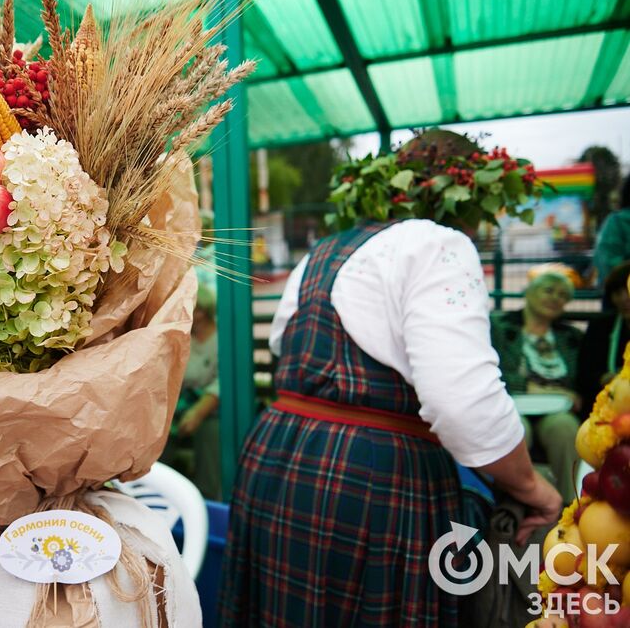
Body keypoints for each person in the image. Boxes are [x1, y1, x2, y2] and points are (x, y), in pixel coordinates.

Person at [219, 132, 561, 627]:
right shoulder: (439, 244)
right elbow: (463, 405)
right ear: (475, 194)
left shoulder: (326, 251)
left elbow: (283, 350)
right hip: (369, 478)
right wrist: (534, 488)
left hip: (278, 457)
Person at [490, 271, 583, 503]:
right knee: (516, 428)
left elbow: (581, 380)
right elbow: (492, 369)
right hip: (512, 402)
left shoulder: (571, 337)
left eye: (562, 295)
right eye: (548, 290)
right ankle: (512, 503)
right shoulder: (500, 328)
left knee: (566, 428)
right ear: (529, 292)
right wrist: (531, 387)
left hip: (556, 409)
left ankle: (568, 505)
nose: (555, 298)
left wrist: (572, 396)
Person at [161, 283, 221, 500]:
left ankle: (208, 496)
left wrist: (198, 411)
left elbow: (222, 383)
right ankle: (164, 491)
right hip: (182, 402)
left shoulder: (221, 339)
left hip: (214, 409)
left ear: (202, 312)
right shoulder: (184, 337)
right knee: (160, 427)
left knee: (211, 432)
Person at [577, 261, 630, 411]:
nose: (624, 299)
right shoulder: (600, 327)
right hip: (607, 407)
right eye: (618, 293)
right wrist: (604, 379)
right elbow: (586, 374)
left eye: (628, 290)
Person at [593, 176, 630, 287]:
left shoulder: (616, 221)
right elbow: (609, 263)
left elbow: (607, 261)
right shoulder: (618, 221)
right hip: (622, 296)